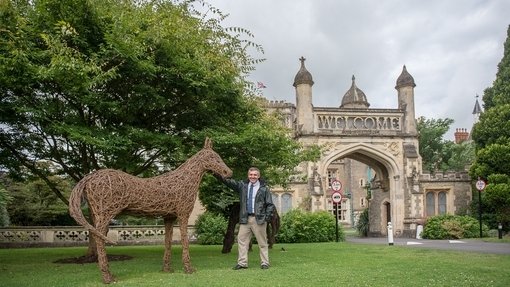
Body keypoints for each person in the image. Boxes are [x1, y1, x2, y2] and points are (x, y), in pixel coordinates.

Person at [215, 167, 274, 270]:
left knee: (262, 242)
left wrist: (267, 217)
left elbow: (269, 204)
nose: (253, 176)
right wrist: (215, 174)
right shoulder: (242, 185)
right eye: (251, 175)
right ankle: (242, 263)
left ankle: (265, 263)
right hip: (245, 219)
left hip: (259, 219)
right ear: (248, 175)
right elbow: (228, 182)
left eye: (255, 175)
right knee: (241, 240)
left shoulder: (264, 188)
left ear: (258, 176)